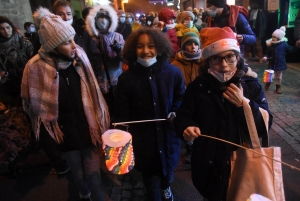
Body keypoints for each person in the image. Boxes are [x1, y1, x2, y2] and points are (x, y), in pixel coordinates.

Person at [174, 27, 272, 201]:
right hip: (209, 164)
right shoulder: (198, 88)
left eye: (230, 57)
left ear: (238, 57)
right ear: (207, 62)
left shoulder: (250, 86)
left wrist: (244, 104)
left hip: (243, 163)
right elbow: (183, 115)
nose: (224, 65)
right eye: (216, 59)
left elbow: (265, 124)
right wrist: (186, 127)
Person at [22, 7, 109, 201]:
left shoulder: (80, 59)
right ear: (53, 46)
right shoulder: (36, 68)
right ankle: (83, 193)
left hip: (89, 128)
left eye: (72, 40)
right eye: (66, 42)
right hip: (64, 133)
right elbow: (34, 107)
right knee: (78, 175)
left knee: (94, 177)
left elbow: (93, 93)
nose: (74, 46)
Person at [114, 27, 185, 201]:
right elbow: (121, 111)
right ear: (133, 49)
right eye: (140, 46)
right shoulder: (126, 79)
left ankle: (166, 186)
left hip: (168, 136)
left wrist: (175, 111)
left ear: (160, 48)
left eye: (151, 46)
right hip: (143, 140)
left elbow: (181, 97)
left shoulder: (173, 73)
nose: (146, 51)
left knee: (168, 171)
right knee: (150, 177)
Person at [86, 4, 125, 117]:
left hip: (116, 79)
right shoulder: (90, 38)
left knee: (117, 108)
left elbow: (125, 58)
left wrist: (119, 51)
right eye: (99, 17)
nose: (102, 20)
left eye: (105, 17)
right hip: (97, 82)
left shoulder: (117, 36)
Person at [171, 32, 201, 163]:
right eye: (189, 44)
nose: (193, 47)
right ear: (183, 47)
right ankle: (189, 148)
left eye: (196, 44)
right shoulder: (175, 66)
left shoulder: (204, 63)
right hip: (183, 101)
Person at [52, 0, 102, 80]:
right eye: (61, 14)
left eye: (68, 14)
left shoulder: (82, 33)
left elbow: (94, 56)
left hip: (86, 78)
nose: (66, 18)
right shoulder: (50, 38)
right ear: (54, 16)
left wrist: (98, 76)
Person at [0, 16, 33, 107]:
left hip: (26, 79)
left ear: (11, 27)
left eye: (7, 27)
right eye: (2, 29)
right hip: (8, 85)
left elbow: (33, 58)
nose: (6, 31)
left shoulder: (23, 41)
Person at [0, 94, 31, 178]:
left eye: (0, 104)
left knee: (8, 147)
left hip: (15, 141)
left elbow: (17, 131)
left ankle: (13, 168)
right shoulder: (6, 115)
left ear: (8, 105)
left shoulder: (15, 116)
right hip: (10, 141)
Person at [261, 26, 298, 94]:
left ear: (279, 38)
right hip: (272, 63)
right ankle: (267, 84)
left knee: (279, 77)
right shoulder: (271, 45)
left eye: (275, 37)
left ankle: (278, 87)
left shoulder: (284, 45)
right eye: (273, 37)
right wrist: (265, 57)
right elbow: (267, 53)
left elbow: (291, 50)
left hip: (280, 63)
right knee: (269, 76)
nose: (273, 38)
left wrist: (296, 46)